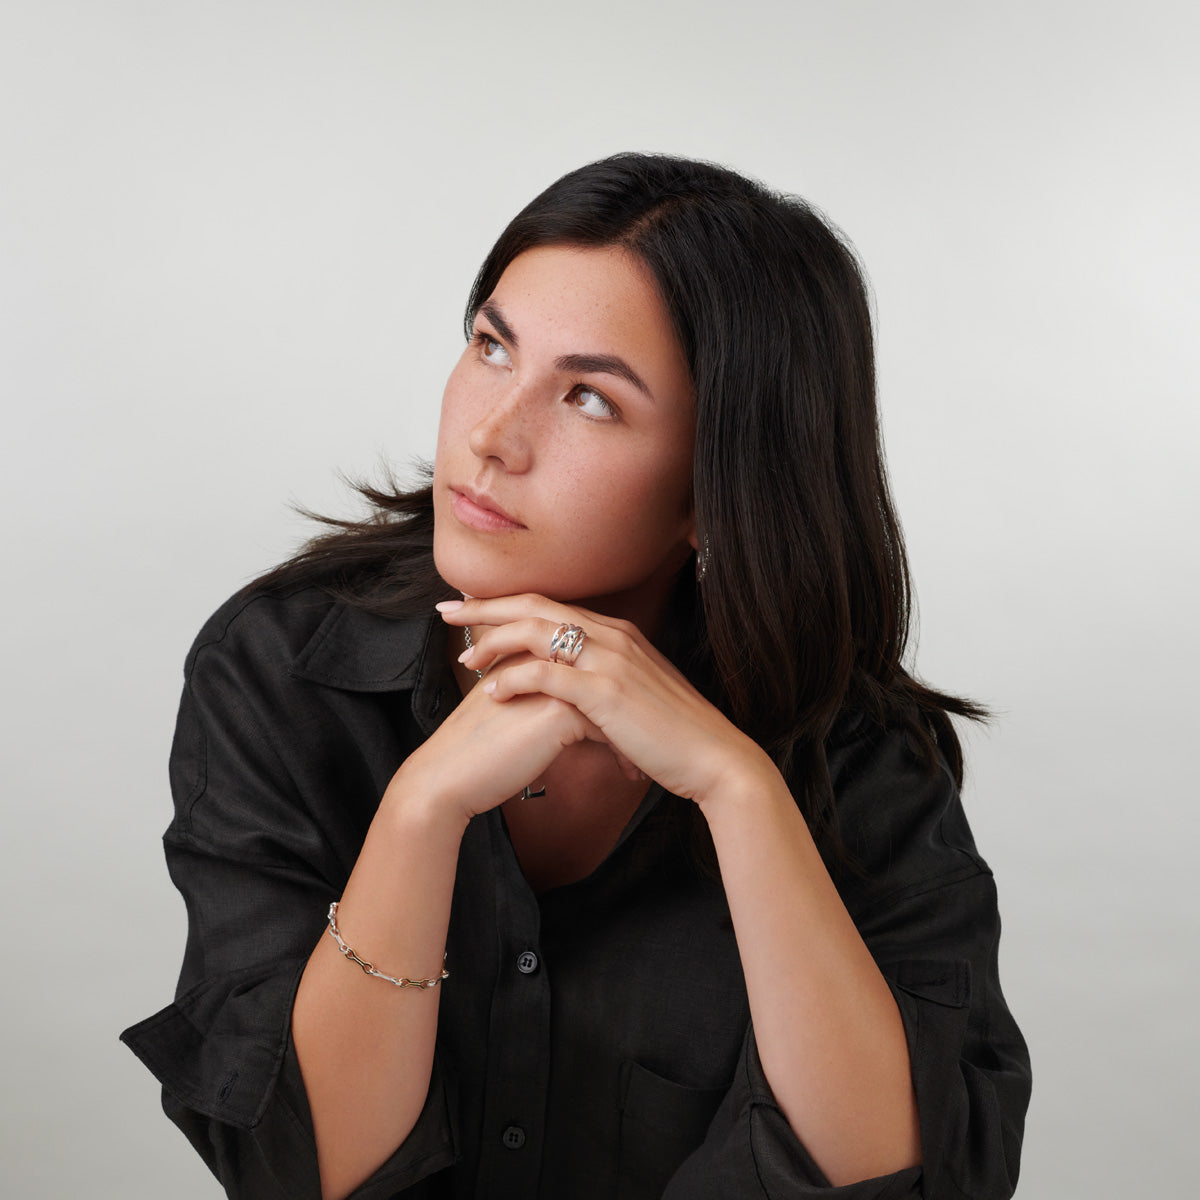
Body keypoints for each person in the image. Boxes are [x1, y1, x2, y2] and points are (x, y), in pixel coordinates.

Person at [121, 153, 1031, 1200]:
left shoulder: (863, 756)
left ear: (715, 488)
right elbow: (307, 1169)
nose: (491, 438)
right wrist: (422, 809)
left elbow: (899, 1178)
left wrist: (739, 791)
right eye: (492, 346)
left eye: (592, 399)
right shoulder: (283, 670)